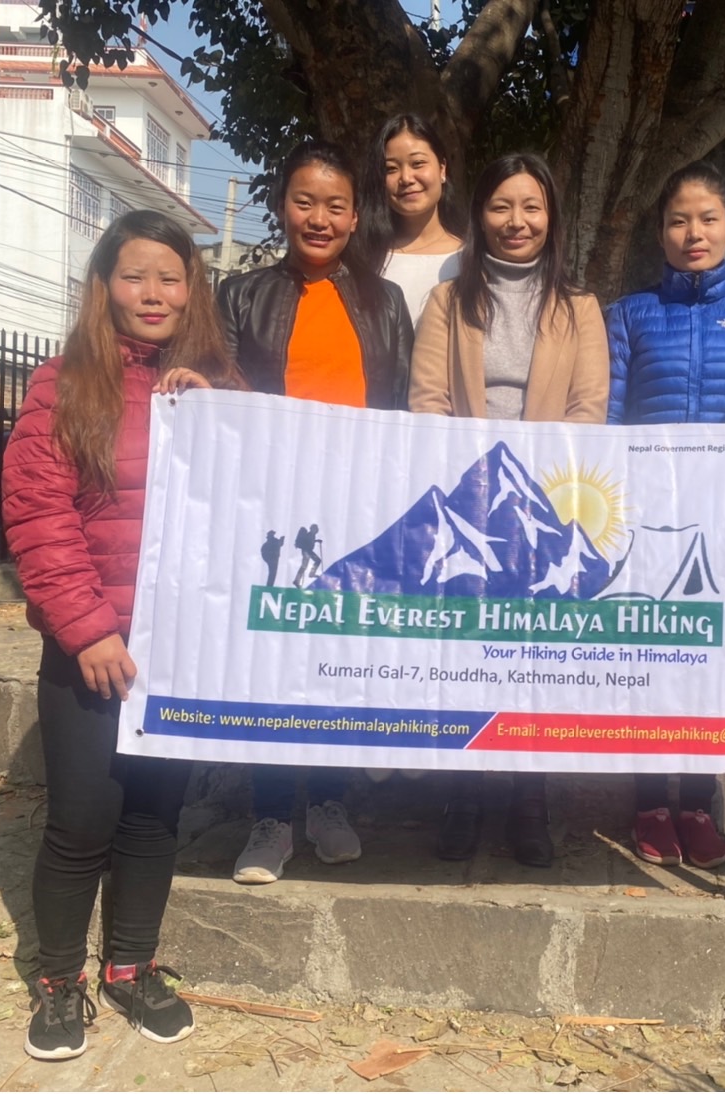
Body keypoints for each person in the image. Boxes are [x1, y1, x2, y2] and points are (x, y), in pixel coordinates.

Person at [2, 210, 244, 1060]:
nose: (153, 293)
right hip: (90, 651)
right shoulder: (63, 385)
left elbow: (257, 500)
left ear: (192, 291)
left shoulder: (216, 387)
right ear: (104, 286)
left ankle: (130, 967)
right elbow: (38, 516)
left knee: (152, 817)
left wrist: (226, 416)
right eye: (135, 275)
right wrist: (87, 630)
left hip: (177, 646)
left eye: (171, 278)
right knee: (80, 820)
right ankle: (59, 980)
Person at [217, 139, 413, 885]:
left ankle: (329, 802)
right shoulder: (241, 295)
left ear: (356, 214)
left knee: (336, 662)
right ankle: (269, 819)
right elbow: (218, 391)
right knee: (272, 662)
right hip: (270, 511)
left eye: (335, 205)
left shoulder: (385, 302)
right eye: (305, 202)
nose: (319, 218)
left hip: (355, 509)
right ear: (282, 206)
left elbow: (401, 412)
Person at [409, 152, 609, 865]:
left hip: (542, 508)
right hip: (467, 502)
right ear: (480, 215)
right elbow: (428, 401)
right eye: (500, 206)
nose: (515, 221)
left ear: (551, 217)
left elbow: (589, 409)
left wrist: (536, 487)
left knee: (532, 658)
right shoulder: (448, 300)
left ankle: (529, 797)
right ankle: (463, 791)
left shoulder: (578, 307)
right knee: (465, 655)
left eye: (531, 207)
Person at [605, 162, 725, 870]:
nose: (694, 233)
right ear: (661, 232)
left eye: (708, 219)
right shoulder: (627, 316)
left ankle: (698, 802)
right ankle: (651, 802)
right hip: (649, 520)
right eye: (680, 220)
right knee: (653, 661)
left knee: (716, 662)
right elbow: (609, 417)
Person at [358, 113, 464, 323]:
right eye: (391, 169)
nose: (406, 178)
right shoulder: (362, 259)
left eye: (417, 164)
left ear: (442, 169)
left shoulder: (472, 258)